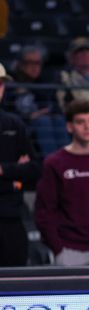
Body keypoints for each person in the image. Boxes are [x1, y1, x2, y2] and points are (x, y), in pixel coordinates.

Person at [34, 100, 89, 266]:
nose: (87, 127)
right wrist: (58, 248)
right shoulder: (54, 163)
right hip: (69, 250)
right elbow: (45, 210)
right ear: (70, 127)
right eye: (81, 122)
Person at [0, 62, 38, 267]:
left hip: (11, 218)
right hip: (10, 204)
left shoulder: (14, 124)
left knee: (15, 282)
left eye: (0, 84)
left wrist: (4, 170)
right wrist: (13, 177)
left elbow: (34, 170)